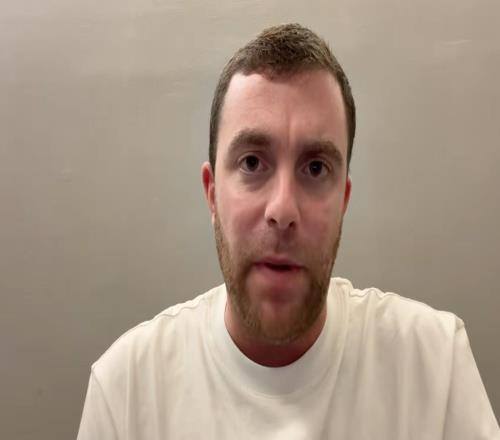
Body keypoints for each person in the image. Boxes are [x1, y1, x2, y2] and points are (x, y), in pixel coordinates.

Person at [77, 23, 499, 439]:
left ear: (343, 200)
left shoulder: (436, 369)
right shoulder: (126, 394)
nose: (282, 210)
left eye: (315, 168)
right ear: (212, 194)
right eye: (252, 163)